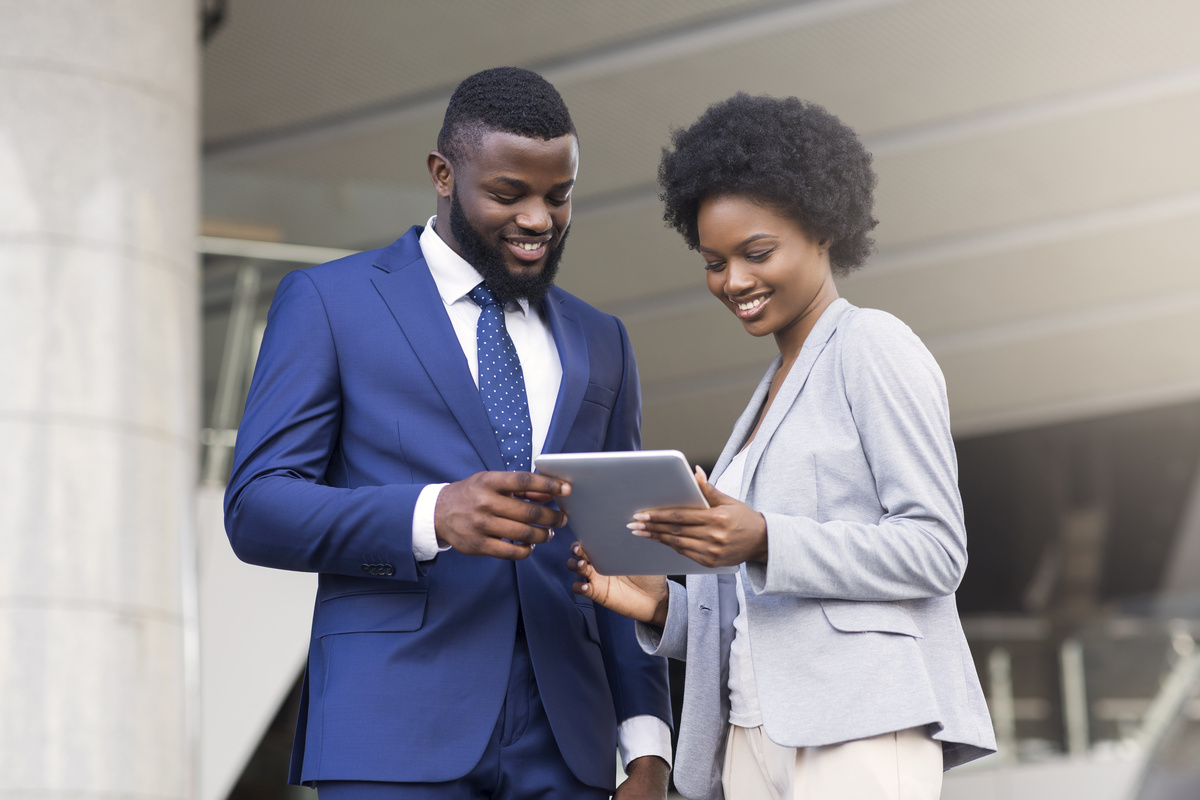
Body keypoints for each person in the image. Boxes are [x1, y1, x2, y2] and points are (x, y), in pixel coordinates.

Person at [224, 67, 672, 799]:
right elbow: (257, 508)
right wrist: (432, 513)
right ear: (442, 173)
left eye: (558, 196)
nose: (538, 219)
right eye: (508, 194)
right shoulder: (330, 303)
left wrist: (648, 745)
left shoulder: (603, 340)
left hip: (568, 746)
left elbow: (624, 546)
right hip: (391, 732)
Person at [569, 93, 996, 800]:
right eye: (713, 262)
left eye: (756, 252)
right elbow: (762, 618)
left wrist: (764, 538)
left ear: (824, 232)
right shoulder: (770, 389)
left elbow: (937, 549)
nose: (733, 281)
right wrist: (660, 607)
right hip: (754, 739)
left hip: (857, 725)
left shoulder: (871, 345)